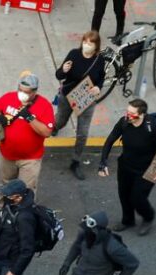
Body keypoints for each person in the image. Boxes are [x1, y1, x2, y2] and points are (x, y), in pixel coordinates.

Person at [98, 98, 156, 235]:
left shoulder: (153, 127)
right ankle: (127, 220)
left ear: (141, 114)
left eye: (131, 114)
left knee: (137, 198)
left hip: (147, 170)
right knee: (124, 195)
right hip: (125, 166)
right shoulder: (124, 122)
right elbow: (110, 140)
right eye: (127, 112)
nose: (127, 116)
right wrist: (103, 162)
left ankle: (148, 217)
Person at [0, 73, 54, 220]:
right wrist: (0, 117)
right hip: (7, 154)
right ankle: (2, 209)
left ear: (34, 92)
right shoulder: (9, 97)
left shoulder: (44, 106)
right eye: (20, 89)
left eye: (26, 92)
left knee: (25, 189)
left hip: (30, 159)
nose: (22, 94)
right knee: (6, 183)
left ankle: (23, 215)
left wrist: (29, 117)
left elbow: (46, 131)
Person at [58, 212, 139, 275]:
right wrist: (67, 263)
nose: (84, 232)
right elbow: (77, 246)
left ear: (96, 230)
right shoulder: (85, 234)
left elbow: (133, 264)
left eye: (88, 230)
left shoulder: (113, 247)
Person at [54, 31, 106, 180]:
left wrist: (98, 87)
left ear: (96, 46)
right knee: (60, 121)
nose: (86, 45)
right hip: (68, 96)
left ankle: (75, 161)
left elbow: (101, 76)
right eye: (85, 42)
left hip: (87, 99)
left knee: (82, 133)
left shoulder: (99, 59)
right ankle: (55, 128)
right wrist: (63, 70)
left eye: (90, 43)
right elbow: (59, 76)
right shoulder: (74, 54)